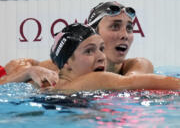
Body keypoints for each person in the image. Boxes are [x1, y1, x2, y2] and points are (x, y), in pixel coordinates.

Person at [1, 23, 180, 92]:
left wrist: (28, 72)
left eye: (101, 48)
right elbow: (140, 83)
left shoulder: (44, 83)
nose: (102, 57)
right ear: (67, 63)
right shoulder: (95, 80)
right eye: (89, 51)